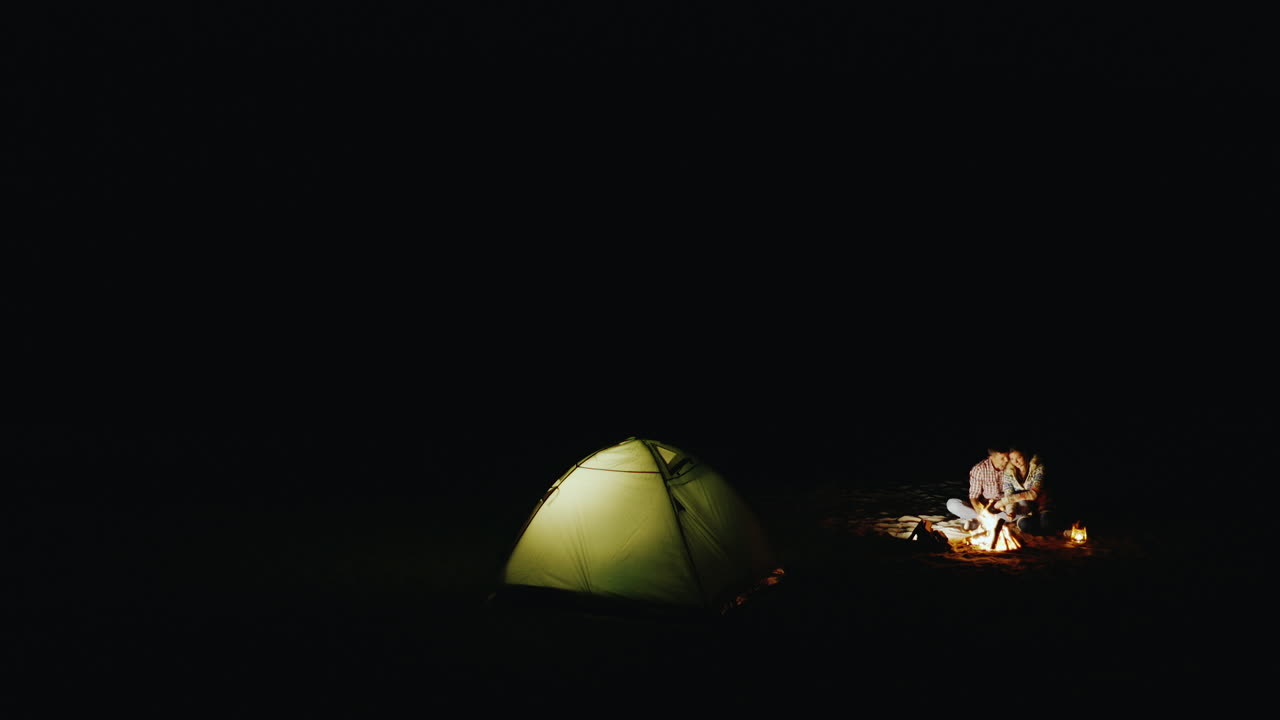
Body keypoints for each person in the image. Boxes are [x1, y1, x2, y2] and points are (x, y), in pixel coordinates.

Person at [946, 448, 1013, 528]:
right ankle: (993, 521)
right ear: (991, 457)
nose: (1006, 460)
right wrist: (981, 511)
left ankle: (982, 522)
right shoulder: (979, 469)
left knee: (1024, 505)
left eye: (1007, 457)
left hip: (1006, 505)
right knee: (952, 504)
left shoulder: (1012, 466)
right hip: (985, 507)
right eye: (1002, 458)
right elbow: (974, 497)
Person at [995, 447, 1055, 535]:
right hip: (1024, 509)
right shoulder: (1009, 472)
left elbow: (1033, 494)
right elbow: (1009, 493)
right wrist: (1011, 511)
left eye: (1019, 458)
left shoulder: (1038, 467)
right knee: (1025, 525)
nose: (1015, 462)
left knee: (1046, 524)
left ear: (1025, 456)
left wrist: (1004, 501)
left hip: (1041, 504)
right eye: (1012, 459)